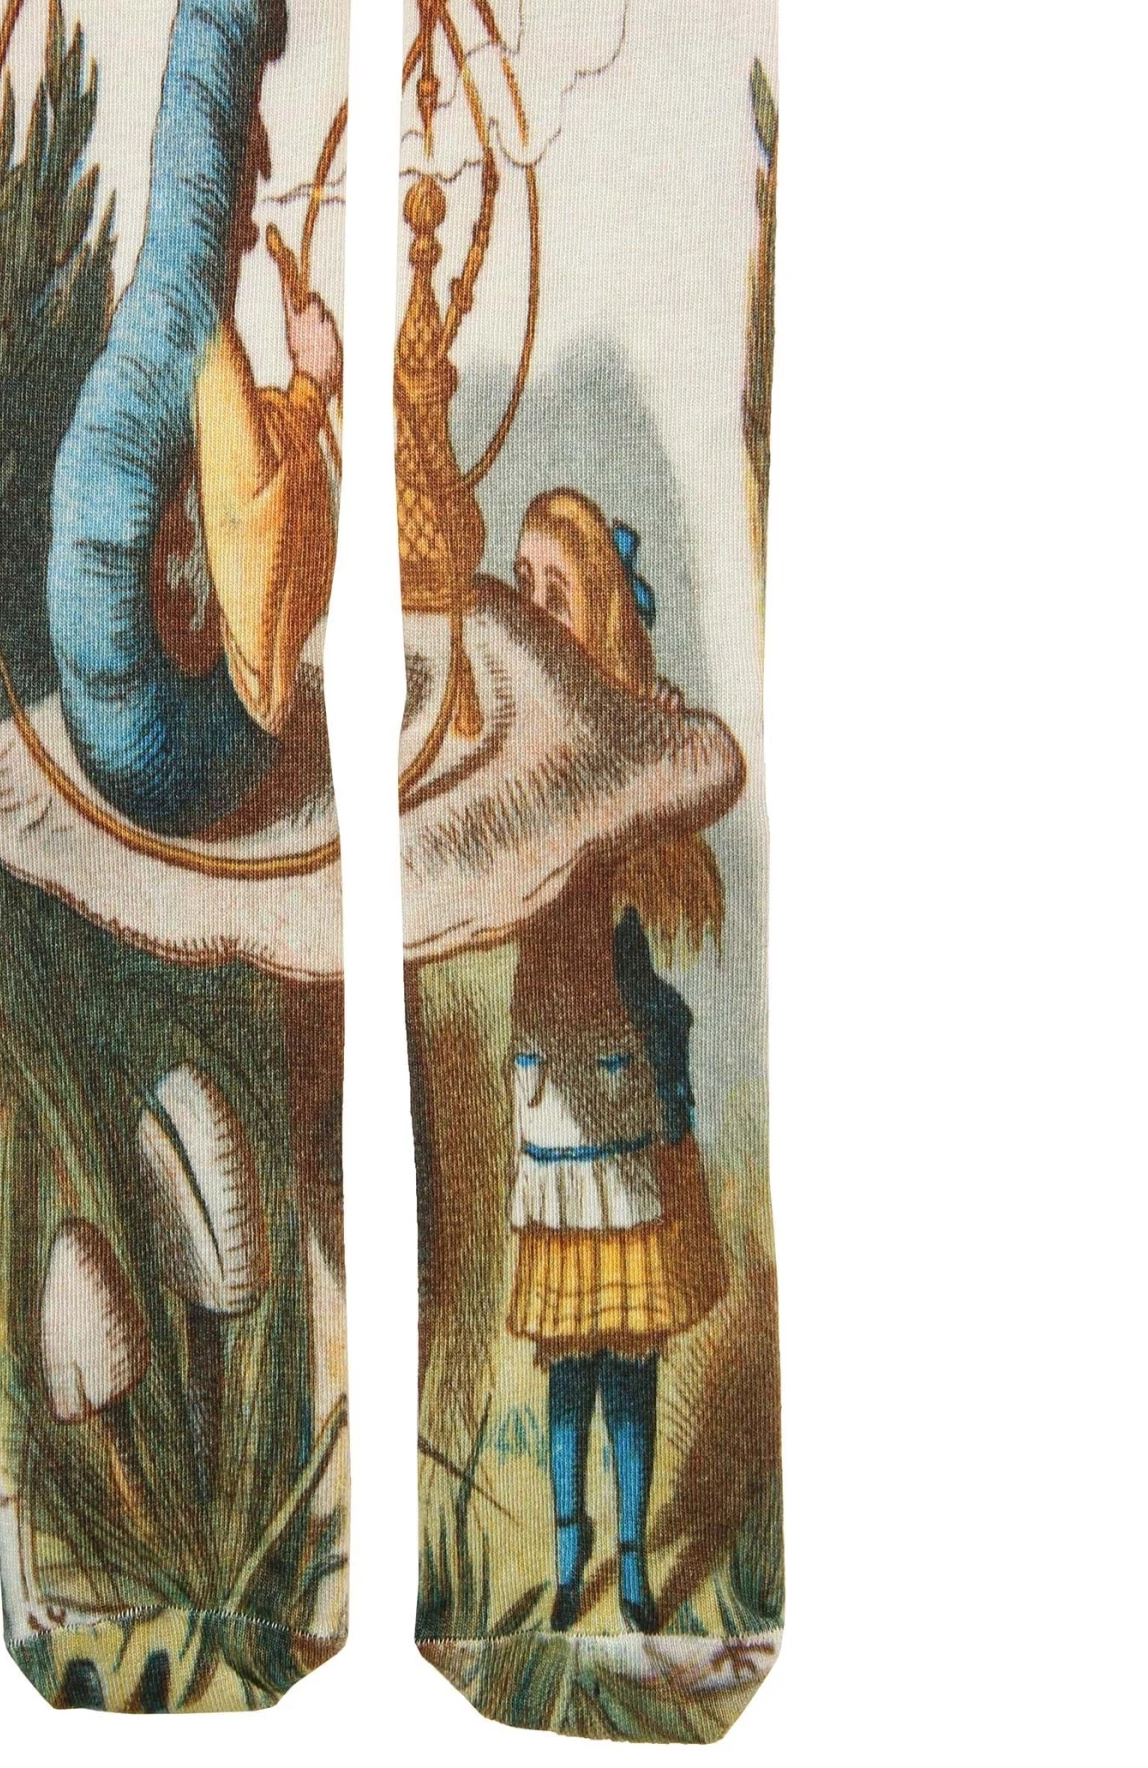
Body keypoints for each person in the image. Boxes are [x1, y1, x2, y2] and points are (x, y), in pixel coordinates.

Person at [48, 0, 341, 836]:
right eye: (251, 159)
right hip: (195, 754)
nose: (261, 178)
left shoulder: (162, 321)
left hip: (111, 736)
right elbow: (258, 508)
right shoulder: (206, 349)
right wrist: (312, 385)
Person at [507, 488, 730, 1635]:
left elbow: (683, 890)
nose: (533, 607)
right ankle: (567, 1557)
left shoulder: (631, 739)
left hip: (619, 1076)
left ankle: (633, 1565)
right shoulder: (509, 742)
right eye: (523, 584)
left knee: (629, 1350)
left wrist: (658, 758)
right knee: (569, 1360)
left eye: (556, 589)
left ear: (597, 605)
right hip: (549, 1081)